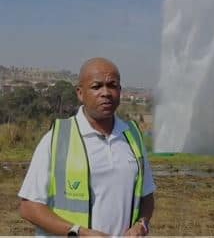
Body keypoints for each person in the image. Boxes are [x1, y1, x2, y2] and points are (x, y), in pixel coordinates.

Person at [18, 57, 156, 236]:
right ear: (80, 93)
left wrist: (142, 224)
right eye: (96, 86)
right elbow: (28, 207)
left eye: (112, 85)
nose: (106, 92)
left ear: (120, 91)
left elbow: (147, 196)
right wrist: (78, 232)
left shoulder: (132, 136)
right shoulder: (57, 138)